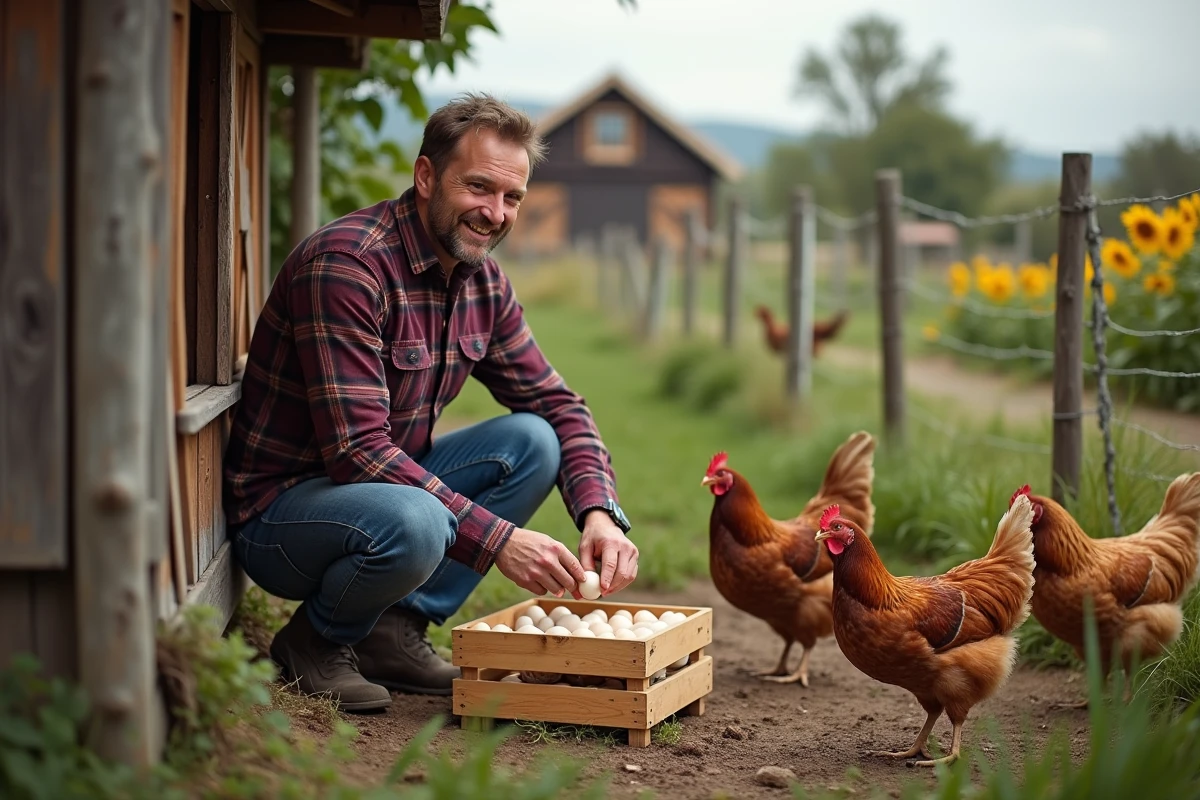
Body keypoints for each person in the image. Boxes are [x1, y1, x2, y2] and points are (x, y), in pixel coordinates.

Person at [221, 94, 639, 712]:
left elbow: (558, 403)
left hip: (386, 496)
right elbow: (359, 453)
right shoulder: (348, 266)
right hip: (282, 517)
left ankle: (391, 632)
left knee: (533, 441)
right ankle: (314, 641)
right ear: (425, 177)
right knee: (418, 522)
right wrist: (498, 541)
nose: (495, 213)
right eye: (478, 187)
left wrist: (599, 512)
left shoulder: (484, 281)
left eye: (512, 197)